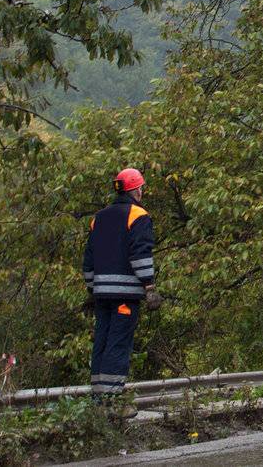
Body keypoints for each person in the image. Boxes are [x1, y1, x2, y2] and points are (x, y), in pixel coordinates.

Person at [82, 168, 161, 409]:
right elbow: (140, 254)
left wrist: (91, 289)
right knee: (118, 344)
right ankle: (112, 402)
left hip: (102, 294)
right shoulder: (138, 215)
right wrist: (150, 286)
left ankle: (98, 399)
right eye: (141, 188)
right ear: (136, 189)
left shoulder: (99, 217)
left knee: (102, 343)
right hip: (125, 295)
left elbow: (89, 259)